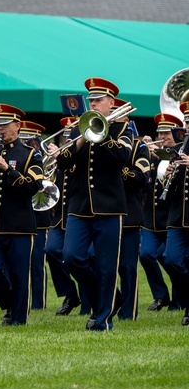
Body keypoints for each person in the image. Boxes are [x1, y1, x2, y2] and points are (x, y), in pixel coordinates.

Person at [56, 77, 132, 331]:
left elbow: (123, 157)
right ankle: (107, 301)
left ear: (111, 103)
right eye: (90, 100)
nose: (93, 104)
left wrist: (101, 135)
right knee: (71, 257)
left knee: (107, 266)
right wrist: (80, 140)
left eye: (98, 101)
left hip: (109, 208)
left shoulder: (124, 129)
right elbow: (62, 163)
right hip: (79, 206)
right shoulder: (78, 128)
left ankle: (102, 321)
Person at [0, 104, 43, 326]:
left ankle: (18, 320)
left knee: (19, 274)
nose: (0, 130)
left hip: (19, 226)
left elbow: (31, 187)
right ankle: (10, 305)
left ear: (18, 126)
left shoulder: (31, 155)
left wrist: (8, 169)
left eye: (5, 125)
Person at [112, 100, 150, 320]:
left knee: (127, 267)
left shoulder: (138, 147)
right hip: (103, 212)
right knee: (92, 259)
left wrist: (119, 168)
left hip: (129, 214)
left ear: (125, 120)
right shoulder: (99, 142)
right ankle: (113, 300)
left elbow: (141, 177)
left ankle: (128, 311)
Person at [141, 113, 180, 311]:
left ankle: (179, 297)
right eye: (160, 132)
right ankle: (161, 295)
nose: (163, 136)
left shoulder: (179, 154)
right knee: (146, 254)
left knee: (171, 258)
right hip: (151, 218)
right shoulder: (151, 155)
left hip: (171, 217)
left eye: (167, 132)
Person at [45, 116, 83, 316]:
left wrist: (62, 155)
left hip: (79, 212)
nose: (67, 138)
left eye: (71, 134)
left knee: (78, 257)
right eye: (66, 134)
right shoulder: (63, 154)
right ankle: (70, 293)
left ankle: (87, 297)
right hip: (60, 215)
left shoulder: (80, 152)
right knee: (51, 250)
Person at [19, 120, 52, 310]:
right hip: (21, 213)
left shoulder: (41, 156)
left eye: (28, 138)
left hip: (40, 214)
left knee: (37, 262)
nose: (24, 141)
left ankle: (39, 303)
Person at [162, 103, 189, 326]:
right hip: (177, 215)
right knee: (171, 259)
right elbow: (172, 190)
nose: (188, 125)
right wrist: (168, 174)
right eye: (186, 121)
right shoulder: (181, 147)